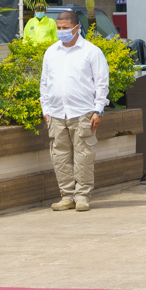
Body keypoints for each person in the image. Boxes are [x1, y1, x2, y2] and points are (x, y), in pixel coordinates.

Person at [40, 11, 110, 212]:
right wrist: (46, 109)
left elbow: (101, 83)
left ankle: (82, 196)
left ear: (76, 28)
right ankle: (67, 196)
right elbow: (44, 83)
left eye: (65, 28)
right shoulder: (51, 52)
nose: (61, 32)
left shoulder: (91, 52)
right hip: (56, 114)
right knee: (59, 157)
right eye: (58, 28)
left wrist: (98, 110)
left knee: (83, 155)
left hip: (83, 113)